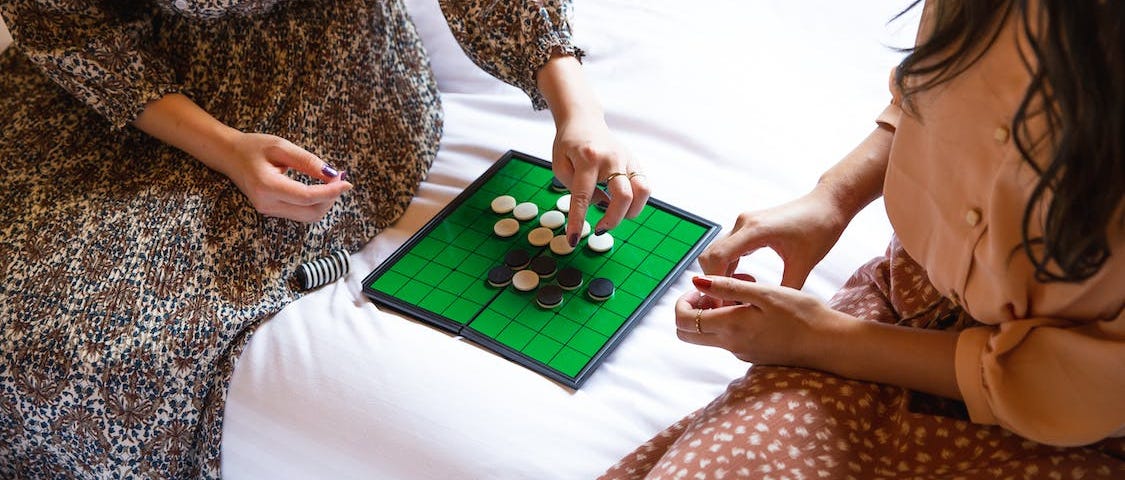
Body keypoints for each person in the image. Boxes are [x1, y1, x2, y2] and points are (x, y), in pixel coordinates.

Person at [0, 0, 649, 477]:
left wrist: (579, 112)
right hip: (113, 73)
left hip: (320, 67)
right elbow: (61, 21)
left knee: (97, 343)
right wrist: (225, 149)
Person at [602, 0, 1124, 478]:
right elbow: (922, 96)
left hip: (1069, 426)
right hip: (905, 302)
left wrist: (816, 339)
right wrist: (831, 200)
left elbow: (1065, 383)